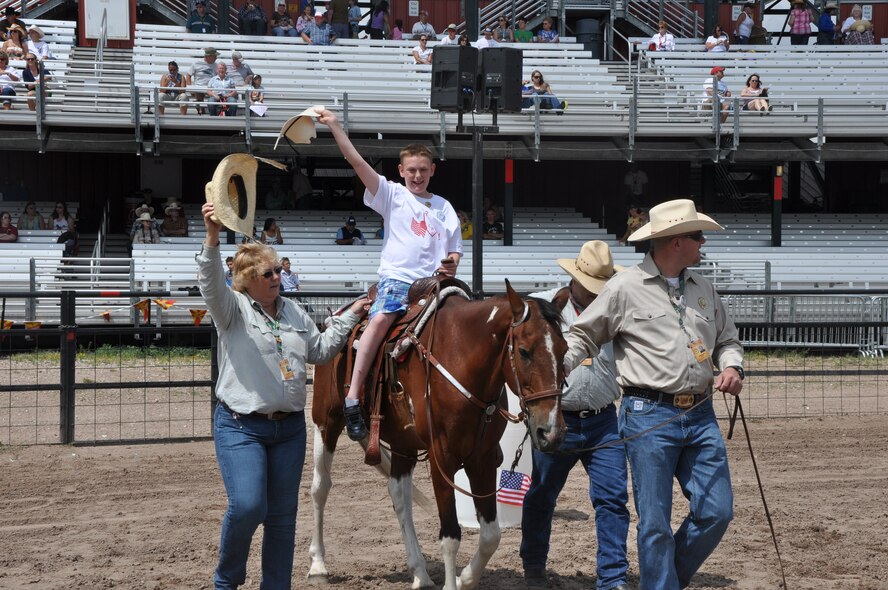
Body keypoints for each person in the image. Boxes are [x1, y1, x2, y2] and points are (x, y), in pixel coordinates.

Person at [563, 198, 744, 590]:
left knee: (717, 511)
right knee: (655, 522)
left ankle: (662, 582)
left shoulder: (704, 289)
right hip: (648, 415)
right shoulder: (624, 287)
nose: (703, 243)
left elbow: (728, 340)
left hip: (700, 412)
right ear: (675, 241)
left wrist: (731, 366)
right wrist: (556, 368)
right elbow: (584, 335)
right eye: (697, 236)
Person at [197, 201, 367, 590]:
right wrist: (211, 237)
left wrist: (352, 313)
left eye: (277, 270)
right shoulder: (232, 308)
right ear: (245, 280)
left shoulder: (292, 311)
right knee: (248, 506)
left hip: (289, 429)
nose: (277, 276)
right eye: (267, 273)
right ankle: (227, 578)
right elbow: (209, 281)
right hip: (241, 426)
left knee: (282, 518)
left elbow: (320, 350)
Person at [316, 108, 462, 441]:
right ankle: (353, 397)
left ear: (432, 171)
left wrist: (451, 261)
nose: (417, 176)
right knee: (381, 319)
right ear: (401, 170)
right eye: (411, 170)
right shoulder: (391, 195)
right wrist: (336, 127)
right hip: (397, 280)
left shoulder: (444, 207)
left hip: (436, 284)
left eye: (423, 170)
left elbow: (454, 249)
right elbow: (356, 162)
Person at [520, 241, 629, 590]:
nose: (598, 292)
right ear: (575, 278)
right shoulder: (539, 308)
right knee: (541, 494)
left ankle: (613, 578)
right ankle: (534, 568)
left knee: (612, 497)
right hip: (558, 416)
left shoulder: (616, 306)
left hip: (602, 418)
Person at [188, 47, 218, 115]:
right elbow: (188, 75)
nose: (216, 58)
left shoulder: (215, 65)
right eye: (215, 56)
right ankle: (201, 110)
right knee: (199, 92)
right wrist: (190, 88)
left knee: (215, 95)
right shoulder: (197, 63)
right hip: (199, 86)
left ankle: (211, 112)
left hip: (211, 87)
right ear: (209, 56)